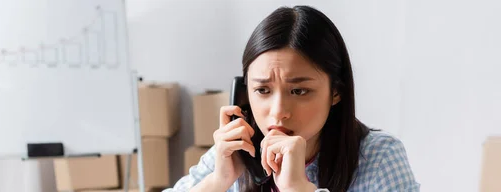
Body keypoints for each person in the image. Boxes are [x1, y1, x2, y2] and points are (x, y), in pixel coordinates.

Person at [163, 5, 420, 192]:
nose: (278, 112)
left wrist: (299, 189)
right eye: (262, 91)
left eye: (298, 91)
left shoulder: (378, 157)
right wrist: (218, 181)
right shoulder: (234, 154)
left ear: (336, 91)